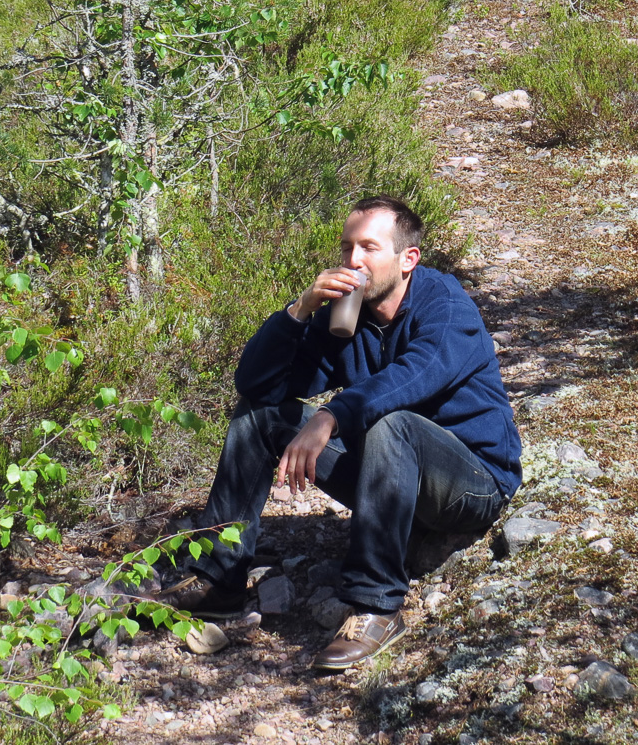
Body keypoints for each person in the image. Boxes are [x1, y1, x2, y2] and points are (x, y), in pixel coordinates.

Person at [159, 195, 522, 670]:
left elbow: (412, 378)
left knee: (394, 422)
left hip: (472, 482)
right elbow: (259, 386)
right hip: (391, 476)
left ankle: (376, 606)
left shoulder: (445, 306)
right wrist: (299, 311)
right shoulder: (347, 317)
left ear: (407, 258)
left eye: (369, 248)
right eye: (347, 247)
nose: (354, 260)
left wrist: (329, 416)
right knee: (259, 417)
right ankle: (220, 578)